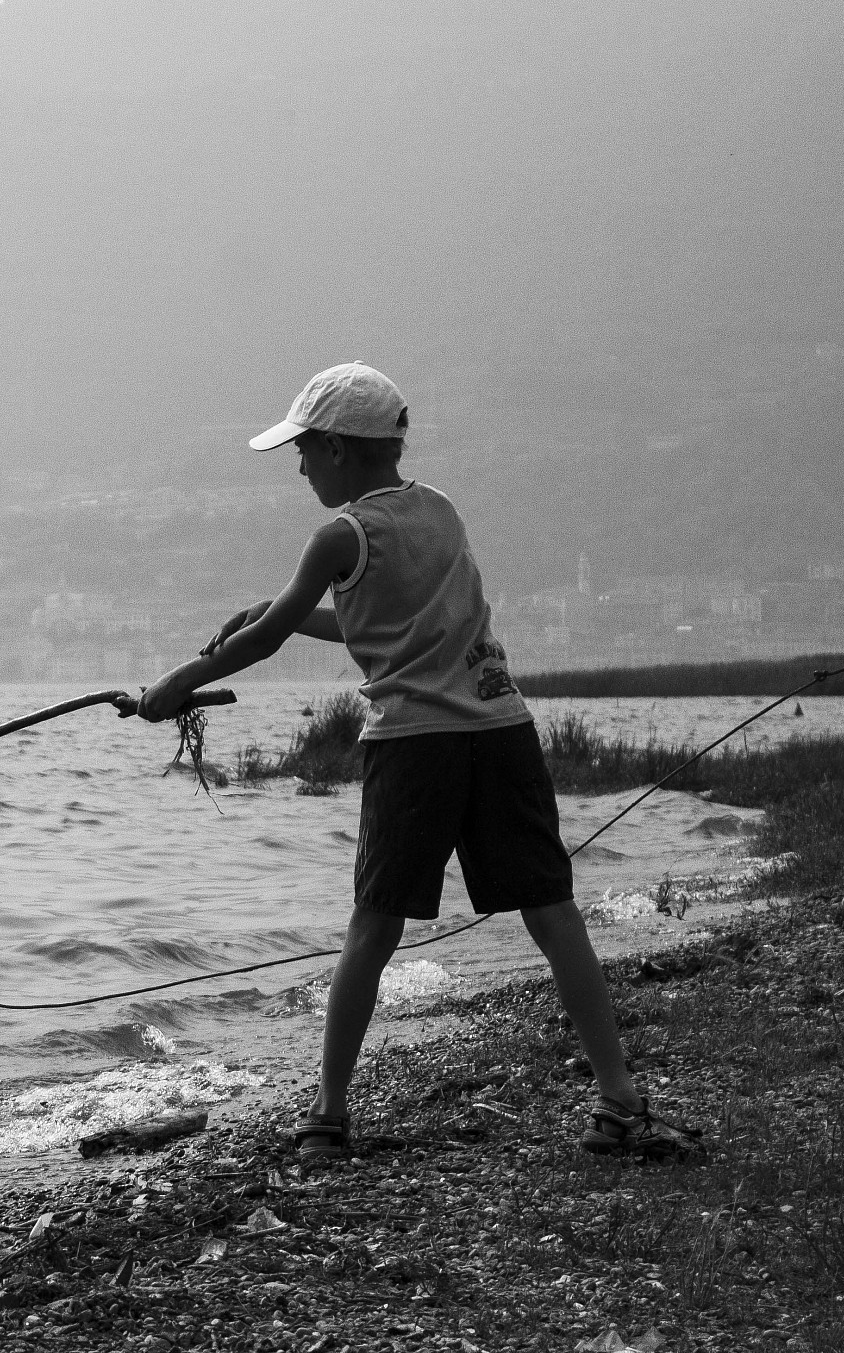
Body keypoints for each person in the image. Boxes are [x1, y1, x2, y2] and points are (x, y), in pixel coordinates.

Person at [137, 362, 678, 1161]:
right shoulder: (442, 512)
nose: (298, 468)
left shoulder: (338, 536)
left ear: (337, 449)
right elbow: (391, 618)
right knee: (552, 914)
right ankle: (620, 1098)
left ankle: (327, 1114)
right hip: (502, 730)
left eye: (303, 452)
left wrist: (174, 685)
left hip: (414, 746)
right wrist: (282, 612)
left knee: (373, 928)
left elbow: (269, 639)